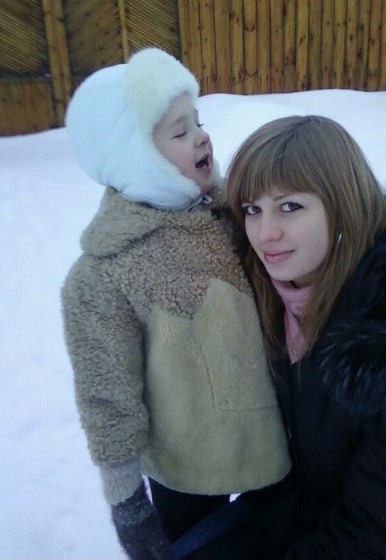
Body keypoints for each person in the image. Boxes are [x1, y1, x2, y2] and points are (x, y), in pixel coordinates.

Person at [61, 47, 290, 560]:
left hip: (282, 448)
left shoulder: (241, 215)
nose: (202, 137)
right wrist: (130, 510)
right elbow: (107, 400)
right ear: (134, 155)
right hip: (187, 475)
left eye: (199, 122)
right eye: (180, 131)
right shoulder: (105, 274)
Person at [219, 114, 386, 560]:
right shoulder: (252, 292)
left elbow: (371, 539)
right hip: (284, 523)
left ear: (341, 205)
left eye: (290, 206)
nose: (265, 233)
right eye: (252, 209)